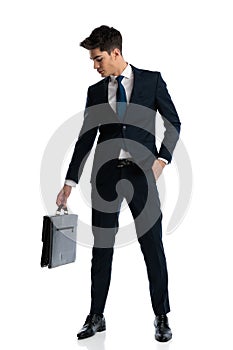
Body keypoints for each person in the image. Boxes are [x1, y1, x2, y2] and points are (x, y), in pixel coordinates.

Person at [56, 25, 181, 342]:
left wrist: (162, 159)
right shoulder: (96, 92)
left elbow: (173, 122)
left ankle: (161, 316)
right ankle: (96, 315)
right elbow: (86, 138)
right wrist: (69, 181)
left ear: (115, 53)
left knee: (152, 245)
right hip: (106, 178)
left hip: (143, 176)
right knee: (102, 248)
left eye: (98, 59)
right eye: (92, 61)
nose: (95, 66)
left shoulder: (151, 81)